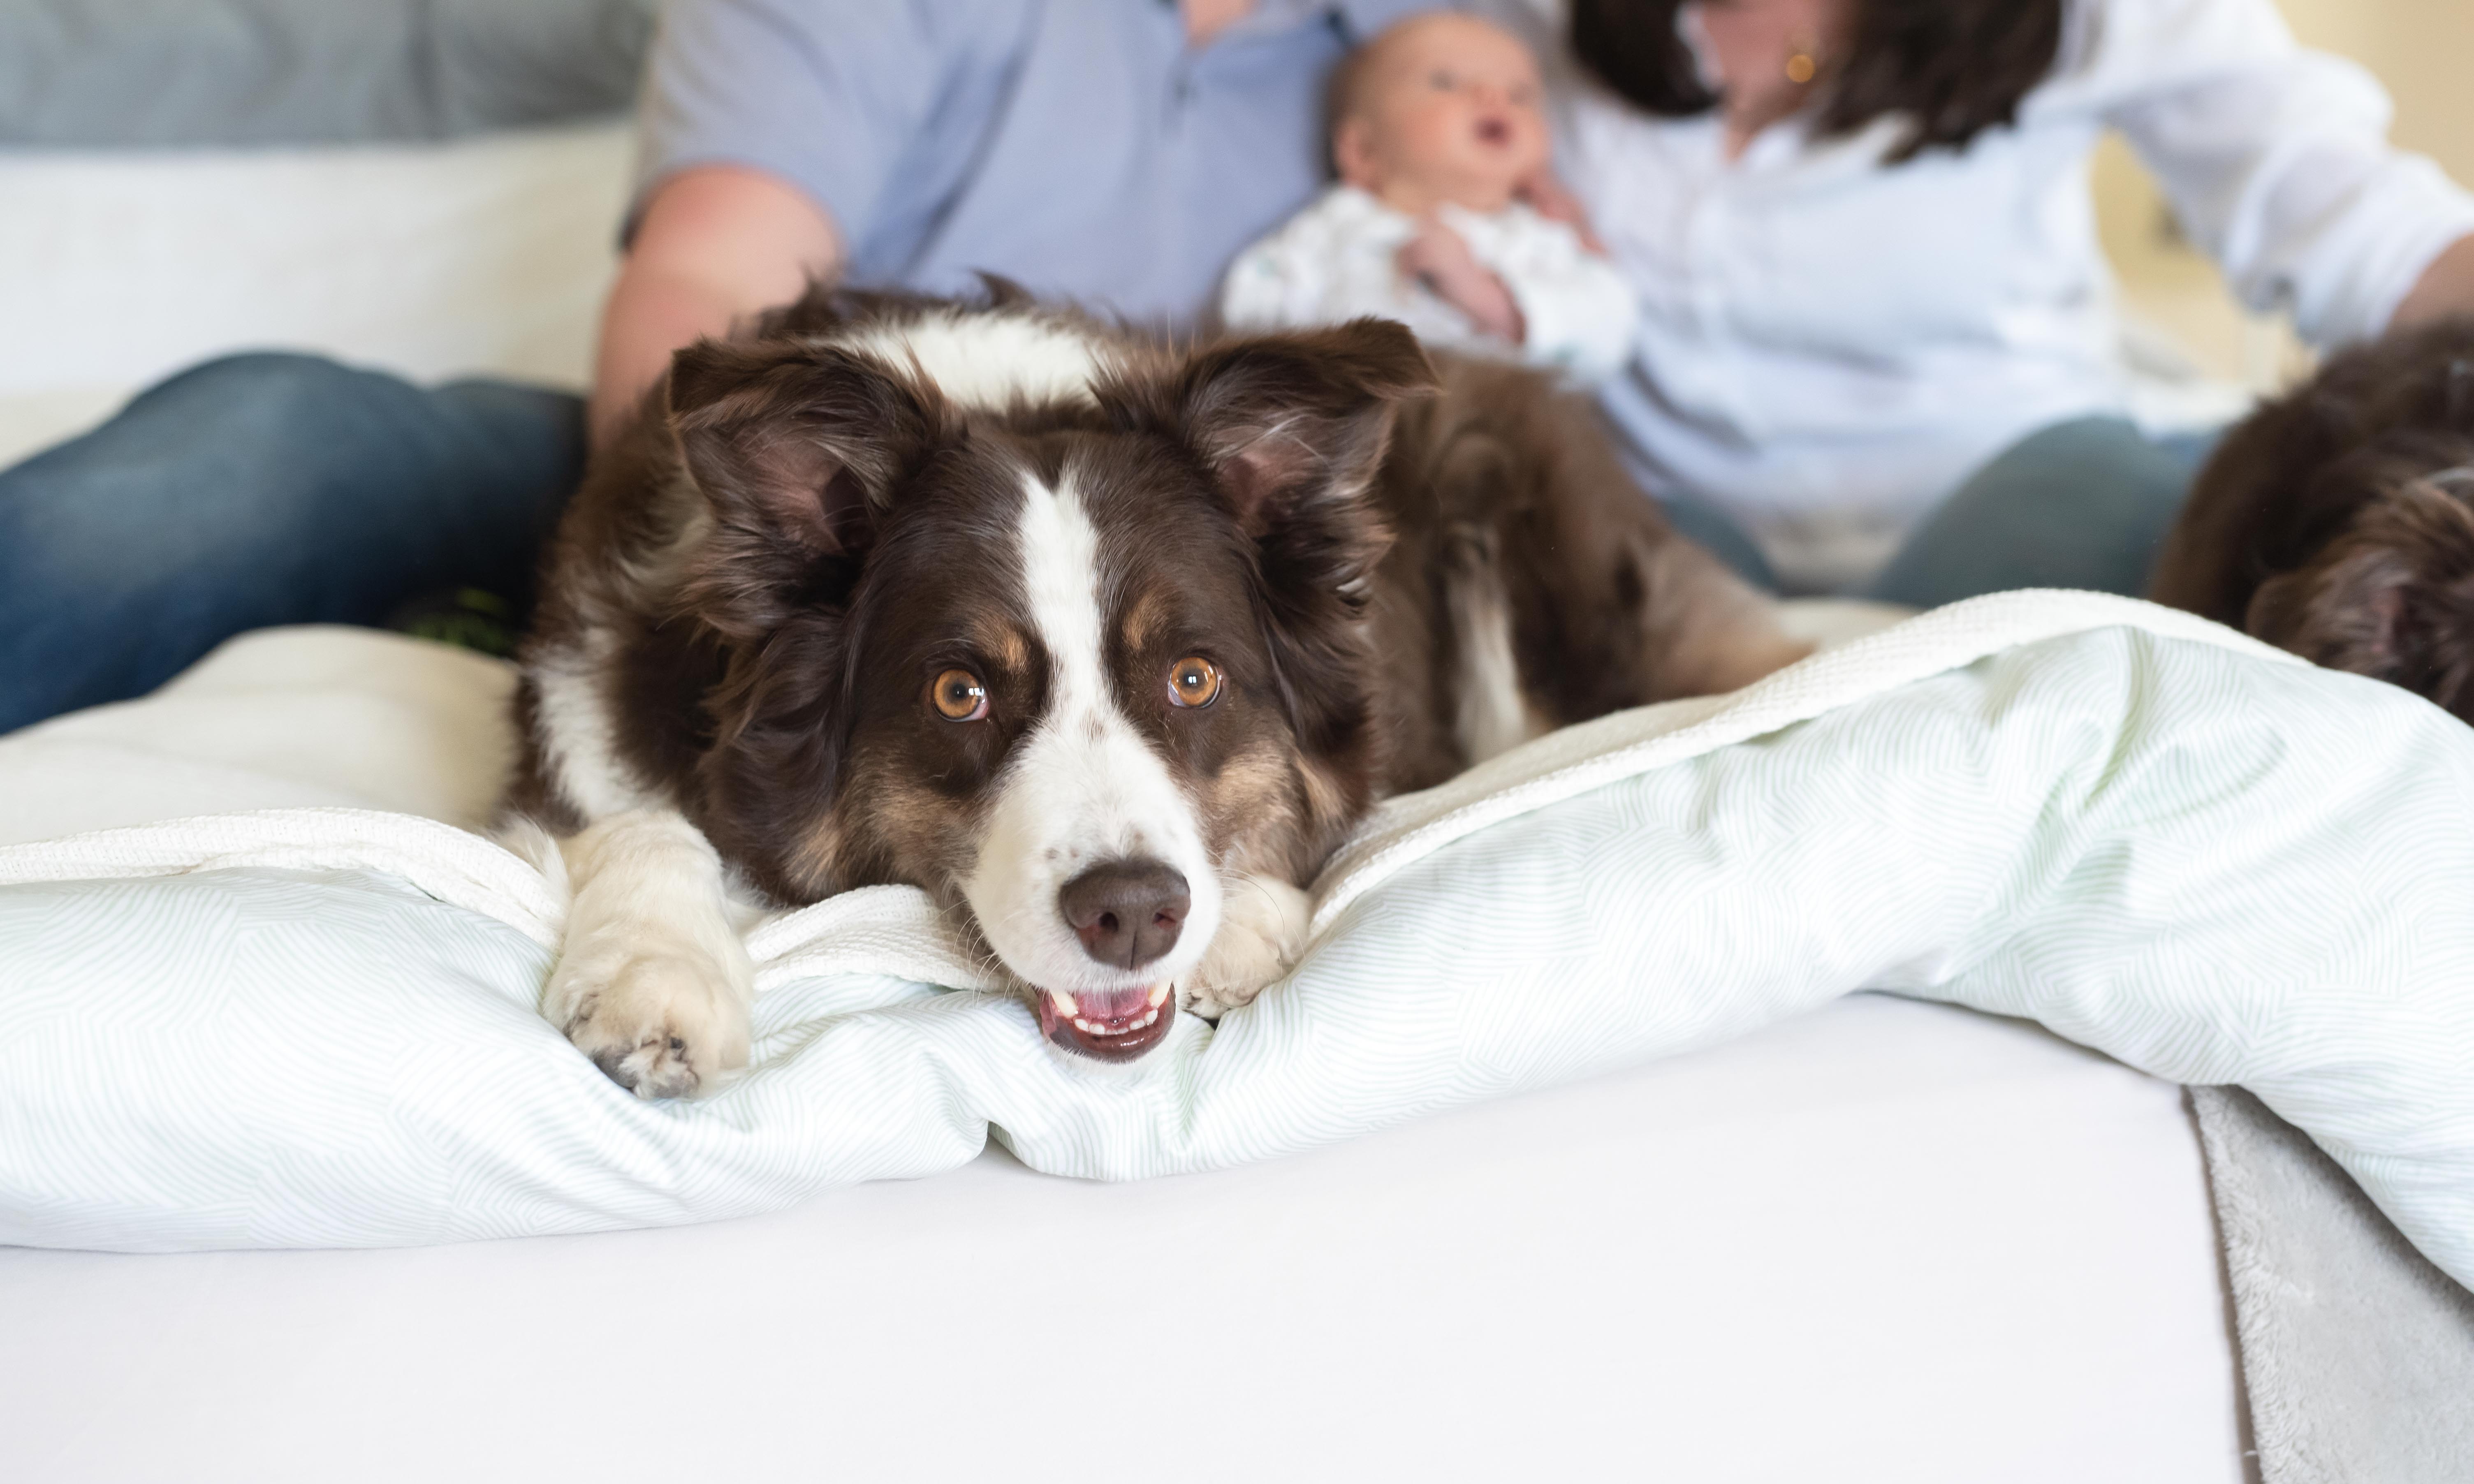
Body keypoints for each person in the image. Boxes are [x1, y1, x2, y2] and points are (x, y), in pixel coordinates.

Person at [0, 0, 1433, 735]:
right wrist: (764, 573)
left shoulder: (1442, 67)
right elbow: (704, 280)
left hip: (1155, 579)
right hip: (792, 490)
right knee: (267, 450)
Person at [1539, 0, 2474, 602]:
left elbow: (2363, 224)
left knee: (2108, 500)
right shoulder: (1500, 23)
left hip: (2019, 494)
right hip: (1670, 529)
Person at [1220, 11, 1635, 379]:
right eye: (1446, 81)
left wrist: (1496, 305)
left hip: (1500, 440)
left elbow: (1612, 327)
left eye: (1519, 94)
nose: (1492, 97)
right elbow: (1251, 303)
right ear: (1363, 152)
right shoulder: (1337, 222)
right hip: (1355, 436)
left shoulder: (1539, 235)